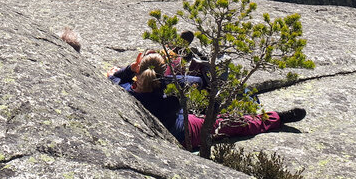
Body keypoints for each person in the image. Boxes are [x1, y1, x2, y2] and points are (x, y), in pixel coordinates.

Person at [109, 52, 306, 150]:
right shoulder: (172, 88)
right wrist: (172, 76)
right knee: (230, 123)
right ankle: (275, 118)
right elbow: (198, 82)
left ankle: (176, 54)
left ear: (139, 71)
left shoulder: (126, 91)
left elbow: (113, 78)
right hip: (183, 133)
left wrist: (128, 71)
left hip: (168, 127)